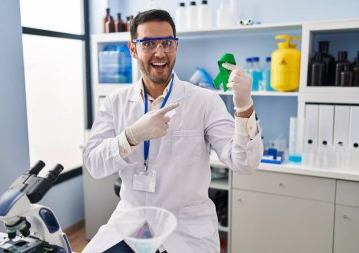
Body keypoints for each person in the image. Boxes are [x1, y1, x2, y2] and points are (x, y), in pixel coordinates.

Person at [83, 9, 263, 253]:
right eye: (148, 44)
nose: (160, 52)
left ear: (176, 46)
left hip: (186, 230)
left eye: (167, 43)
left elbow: (244, 163)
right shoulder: (115, 102)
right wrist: (131, 136)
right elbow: (94, 163)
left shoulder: (204, 101)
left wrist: (244, 106)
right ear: (133, 49)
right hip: (133, 225)